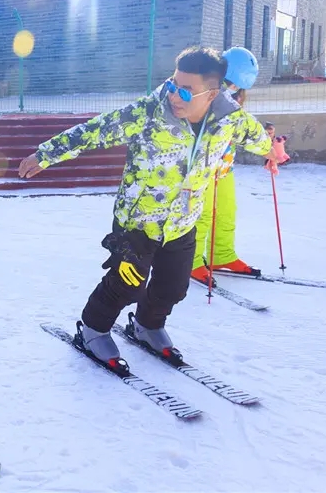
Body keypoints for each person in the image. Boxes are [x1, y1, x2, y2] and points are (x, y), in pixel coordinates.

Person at [18, 46, 275, 365]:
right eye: (172, 84)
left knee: (174, 288)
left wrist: (273, 152)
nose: (174, 95)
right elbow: (95, 131)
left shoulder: (229, 119)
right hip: (137, 222)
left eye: (185, 90)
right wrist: (45, 155)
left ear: (212, 94)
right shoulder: (148, 113)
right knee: (126, 284)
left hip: (182, 222)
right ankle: (93, 329)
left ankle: (147, 325)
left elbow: (258, 138)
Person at [191, 47, 283, 285]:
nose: (231, 88)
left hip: (224, 168)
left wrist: (263, 135)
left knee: (226, 212)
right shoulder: (206, 94)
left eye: (235, 85)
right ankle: (191, 261)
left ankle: (221, 254)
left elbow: (239, 128)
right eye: (228, 82)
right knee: (202, 215)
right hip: (202, 168)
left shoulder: (234, 99)